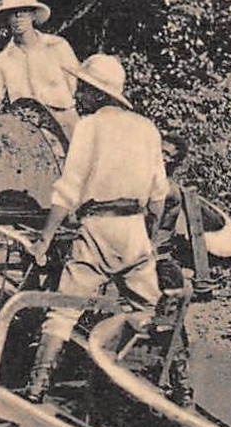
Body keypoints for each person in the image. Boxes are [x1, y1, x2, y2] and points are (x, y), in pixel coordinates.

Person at [25, 54, 169, 403]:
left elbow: (68, 188)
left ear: (96, 92)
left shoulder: (89, 126)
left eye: (83, 87)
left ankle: (38, 383)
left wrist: (44, 239)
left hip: (97, 230)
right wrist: (148, 236)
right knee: (151, 309)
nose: (78, 93)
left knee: (64, 309)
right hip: (134, 228)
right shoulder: (147, 128)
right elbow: (158, 193)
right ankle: (175, 385)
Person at [0, 0, 80, 133]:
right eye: (12, 13)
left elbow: (76, 84)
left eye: (24, 11)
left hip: (64, 121)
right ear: (6, 19)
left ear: (33, 15)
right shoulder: (2, 60)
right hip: (27, 129)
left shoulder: (57, 47)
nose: (18, 17)